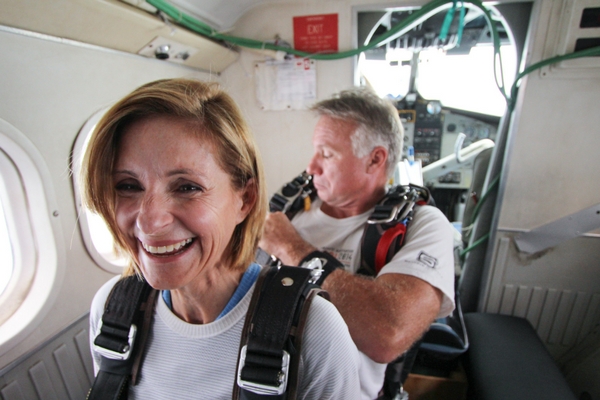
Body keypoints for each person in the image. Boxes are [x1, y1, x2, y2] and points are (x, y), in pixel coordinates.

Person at [82, 78, 360, 399]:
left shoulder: (315, 331)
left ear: (245, 199)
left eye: (187, 187)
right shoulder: (112, 311)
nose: (150, 221)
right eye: (128, 186)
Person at [259, 88, 456, 399]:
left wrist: (292, 249)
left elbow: (387, 333)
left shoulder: (424, 225)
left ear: (374, 160)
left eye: (326, 153)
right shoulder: (289, 211)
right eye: (315, 152)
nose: (312, 167)